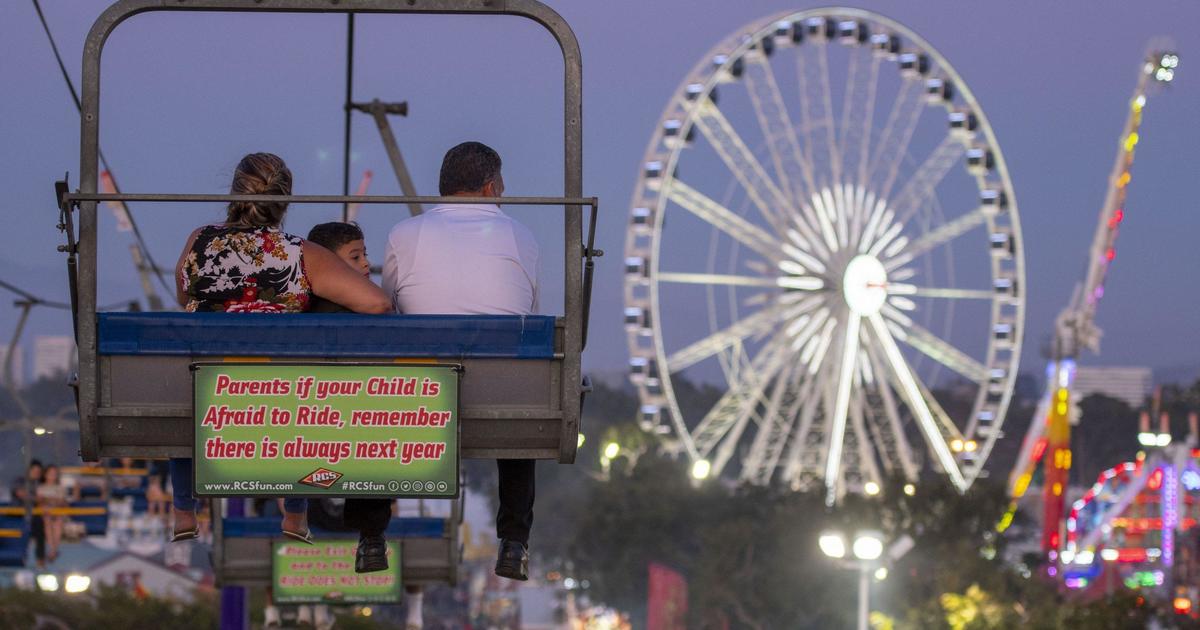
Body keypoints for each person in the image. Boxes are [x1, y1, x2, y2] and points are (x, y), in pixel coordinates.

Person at [170, 152, 391, 544]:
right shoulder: (299, 253)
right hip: (274, 400)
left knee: (187, 390)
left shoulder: (199, 241)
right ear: (285, 202)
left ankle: (184, 509)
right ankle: (294, 513)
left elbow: (183, 296)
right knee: (303, 397)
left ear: (235, 193)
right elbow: (377, 304)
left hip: (207, 392)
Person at [383, 141, 539, 581]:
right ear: (490, 187)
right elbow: (527, 306)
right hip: (503, 397)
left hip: (419, 400)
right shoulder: (520, 236)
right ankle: (514, 541)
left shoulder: (403, 235)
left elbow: (391, 304)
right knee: (520, 412)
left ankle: (370, 533)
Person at [305, 222, 396, 572]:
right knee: (376, 425)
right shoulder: (366, 307)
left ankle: (299, 514)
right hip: (354, 411)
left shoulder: (304, 307)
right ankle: (371, 534)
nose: (365, 265)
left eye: (365, 256)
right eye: (355, 256)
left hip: (303, 414)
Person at [36, 464, 75, 562]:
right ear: (45, 474)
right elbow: (40, 501)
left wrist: (49, 500)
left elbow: (62, 502)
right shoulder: (40, 487)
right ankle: (53, 549)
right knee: (47, 520)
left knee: (58, 522)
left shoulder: (60, 488)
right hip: (46, 514)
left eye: (54, 473)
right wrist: (52, 501)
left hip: (59, 514)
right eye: (50, 473)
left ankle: (53, 550)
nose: (52, 475)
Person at [13, 460, 46, 568]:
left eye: (39, 472)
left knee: (40, 526)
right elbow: (20, 493)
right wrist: (36, 498)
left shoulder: (40, 484)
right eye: (35, 471)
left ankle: (40, 559)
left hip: (34, 516)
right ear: (29, 471)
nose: (36, 474)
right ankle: (19, 556)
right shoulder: (20, 481)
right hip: (18, 514)